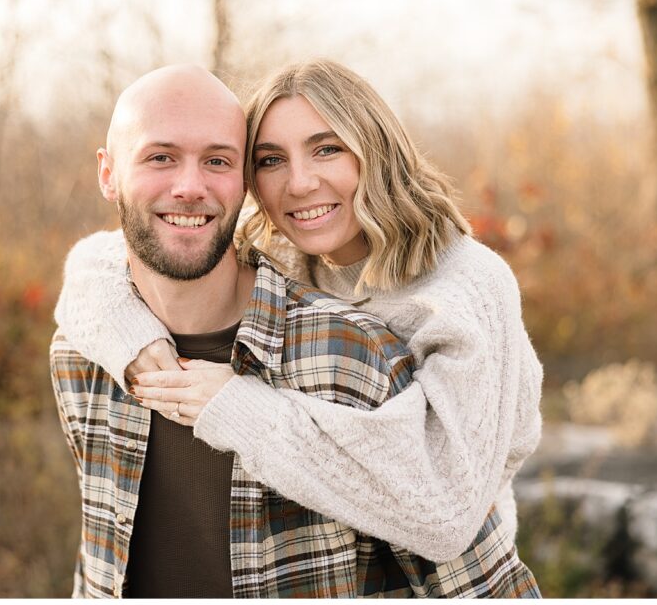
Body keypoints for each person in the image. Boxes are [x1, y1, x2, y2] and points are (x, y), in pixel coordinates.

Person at [55, 59, 544, 597]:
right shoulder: (274, 243)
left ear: (376, 149)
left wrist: (236, 407)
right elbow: (102, 261)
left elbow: (448, 515)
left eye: (327, 149)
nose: (300, 182)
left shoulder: (464, 288)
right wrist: (135, 338)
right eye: (271, 160)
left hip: (455, 560)